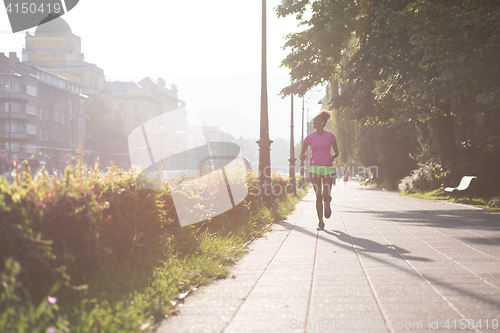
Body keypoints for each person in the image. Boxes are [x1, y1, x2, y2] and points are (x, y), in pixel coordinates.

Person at [299, 110, 339, 230]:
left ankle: (327, 203)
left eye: (316, 121)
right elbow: (302, 153)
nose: (313, 123)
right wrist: (302, 156)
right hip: (314, 168)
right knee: (318, 195)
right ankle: (320, 221)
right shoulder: (309, 138)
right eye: (313, 121)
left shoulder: (330, 136)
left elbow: (337, 152)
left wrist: (332, 157)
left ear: (322, 122)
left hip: (327, 167)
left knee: (326, 194)